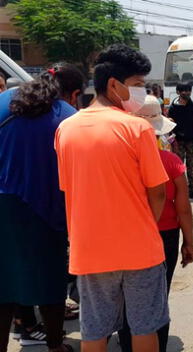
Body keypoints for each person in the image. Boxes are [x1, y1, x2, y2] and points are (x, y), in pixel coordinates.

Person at [55, 44, 170, 352]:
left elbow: (69, 189)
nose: (141, 93)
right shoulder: (137, 128)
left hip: (89, 249)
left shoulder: (65, 129)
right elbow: (158, 190)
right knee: (144, 327)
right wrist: (145, 226)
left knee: (94, 329)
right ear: (114, 85)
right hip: (139, 249)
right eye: (136, 85)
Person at [0, 63, 86, 352]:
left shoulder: (5, 100)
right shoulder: (68, 117)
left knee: (4, 283)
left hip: (3, 204)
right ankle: (54, 346)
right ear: (74, 93)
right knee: (51, 281)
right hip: (43, 208)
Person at [117, 95, 193, 352]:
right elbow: (183, 208)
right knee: (158, 296)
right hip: (166, 236)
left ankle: (129, 343)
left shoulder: (120, 160)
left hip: (127, 235)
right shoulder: (172, 162)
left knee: (127, 294)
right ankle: (157, 345)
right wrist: (190, 242)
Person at [168, 83, 193, 199]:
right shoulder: (173, 108)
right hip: (178, 142)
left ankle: (192, 190)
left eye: (188, 90)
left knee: (190, 166)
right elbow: (170, 125)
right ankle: (179, 190)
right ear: (178, 92)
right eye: (183, 90)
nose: (186, 92)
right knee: (178, 167)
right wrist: (173, 141)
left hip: (192, 141)